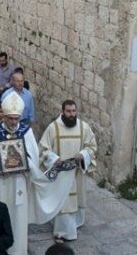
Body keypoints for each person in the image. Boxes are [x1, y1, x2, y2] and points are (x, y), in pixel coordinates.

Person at [0, 92, 74, 255]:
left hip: (21, 184)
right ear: (4, 116)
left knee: (19, 222)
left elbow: (34, 160)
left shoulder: (26, 132)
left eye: (17, 118)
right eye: (10, 118)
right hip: (2, 185)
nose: (14, 122)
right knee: (1, 219)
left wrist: (26, 163)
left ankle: (18, 251)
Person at [38, 100, 97, 242]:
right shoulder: (53, 128)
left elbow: (92, 147)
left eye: (74, 111)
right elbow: (43, 150)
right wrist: (54, 159)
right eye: (68, 111)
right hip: (61, 173)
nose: (71, 114)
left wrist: (83, 154)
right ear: (62, 111)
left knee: (75, 200)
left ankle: (74, 224)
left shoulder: (84, 127)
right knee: (64, 202)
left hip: (76, 172)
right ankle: (63, 232)